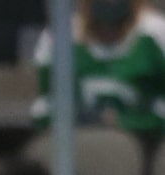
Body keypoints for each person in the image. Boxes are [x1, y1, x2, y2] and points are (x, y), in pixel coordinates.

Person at [34, 0, 165, 134]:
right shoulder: (61, 34)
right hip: (78, 144)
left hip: (147, 145)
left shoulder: (156, 33)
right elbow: (46, 107)